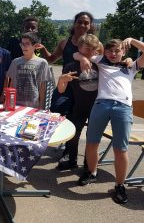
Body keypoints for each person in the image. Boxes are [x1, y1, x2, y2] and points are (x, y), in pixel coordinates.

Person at [76, 38, 144, 205]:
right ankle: (92, 172)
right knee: (92, 142)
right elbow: (76, 53)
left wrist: (132, 40)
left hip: (123, 107)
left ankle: (119, 186)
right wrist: (84, 58)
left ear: (123, 52)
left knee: (120, 149)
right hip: (101, 104)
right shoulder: (100, 60)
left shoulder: (132, 66)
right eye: (110, 51)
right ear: (104, 52)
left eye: (117, 51)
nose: (113, 54)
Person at [38, 11, 100, 116]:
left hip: (86, 89)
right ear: (74, 23)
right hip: (66, 85)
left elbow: (106, 64)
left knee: (78, 120)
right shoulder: (64, 43)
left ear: (90, 26)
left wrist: (126, 61)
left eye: (86, 23)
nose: (82, 25)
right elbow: (51, 59)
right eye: (79, 22)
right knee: (56, 113)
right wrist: (43, 49)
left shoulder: (97, 45)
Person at [55, 34, 100, 171]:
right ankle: (71, 160)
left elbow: (115, 59)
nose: (89, 51)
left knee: (92, 140)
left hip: (97, 108)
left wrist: (127, 59)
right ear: (79, 48)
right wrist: (62, 80)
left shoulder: (100, 65)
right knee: (73, 135)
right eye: (86, 48)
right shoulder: (71, 66)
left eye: (93, 49)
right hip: (79, 106)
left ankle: (89, 166)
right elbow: (61, 90)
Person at [3, 32, 51, 109]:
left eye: (27, 44)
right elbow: (11, 84)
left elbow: (43, 87)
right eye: (22, 44)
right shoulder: (15, 62)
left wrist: (41, 106)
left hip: (33, 105)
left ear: (35, 45)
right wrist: (7, 102)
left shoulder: (42, 63)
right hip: (15, 104)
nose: (24, 47)